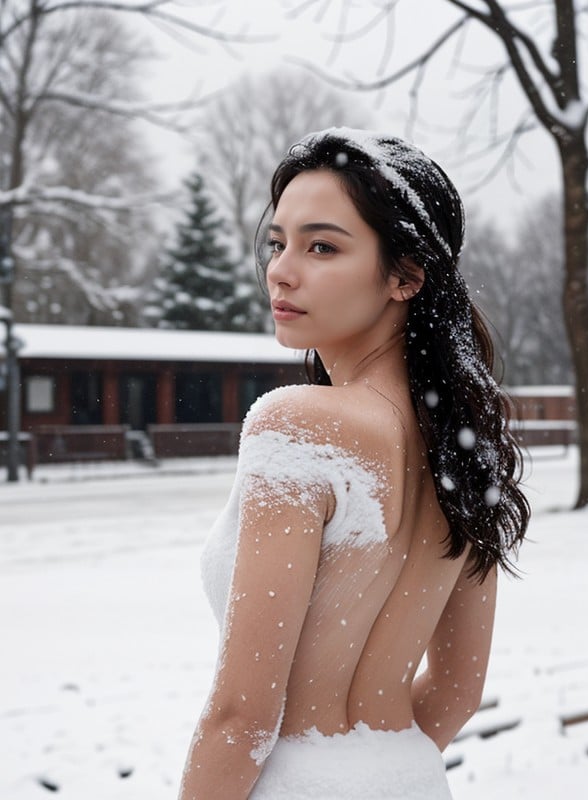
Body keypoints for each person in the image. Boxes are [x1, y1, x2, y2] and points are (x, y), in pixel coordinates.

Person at [178, 127, 530, 800]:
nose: (282, 269)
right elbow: (457, 692)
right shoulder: (462, 441)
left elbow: (240, 718)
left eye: (322, 246)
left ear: (406, 275)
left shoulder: (300, 424)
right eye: (278, 242)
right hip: (410, 775)